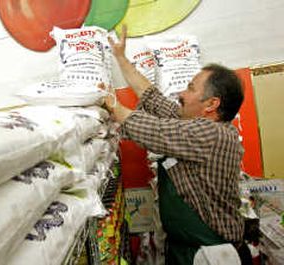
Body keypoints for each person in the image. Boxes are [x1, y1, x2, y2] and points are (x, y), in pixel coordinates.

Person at [102, 26, 251, 265]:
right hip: (187, 248)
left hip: (211, 255)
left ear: (211, 104)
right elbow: (152, 97)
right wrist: (120, 57)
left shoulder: (212, 134)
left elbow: (155, 130)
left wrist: (109, 101)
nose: (182, 92)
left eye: (191, 88)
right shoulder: (193, 122)